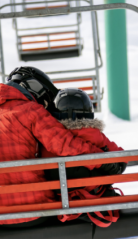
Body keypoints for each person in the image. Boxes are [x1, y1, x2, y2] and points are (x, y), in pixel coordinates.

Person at [0, 67, 122, 227]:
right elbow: (65, 144)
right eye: (44, 99)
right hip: (34, 209)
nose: (44, 105)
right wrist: (103, 161)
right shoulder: (30, 110)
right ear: (36, 90)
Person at [41, 88, 127, 227]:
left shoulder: (48, 140)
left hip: (59, 201)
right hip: (93, 197)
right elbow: (121, 157)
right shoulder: (94, 135)